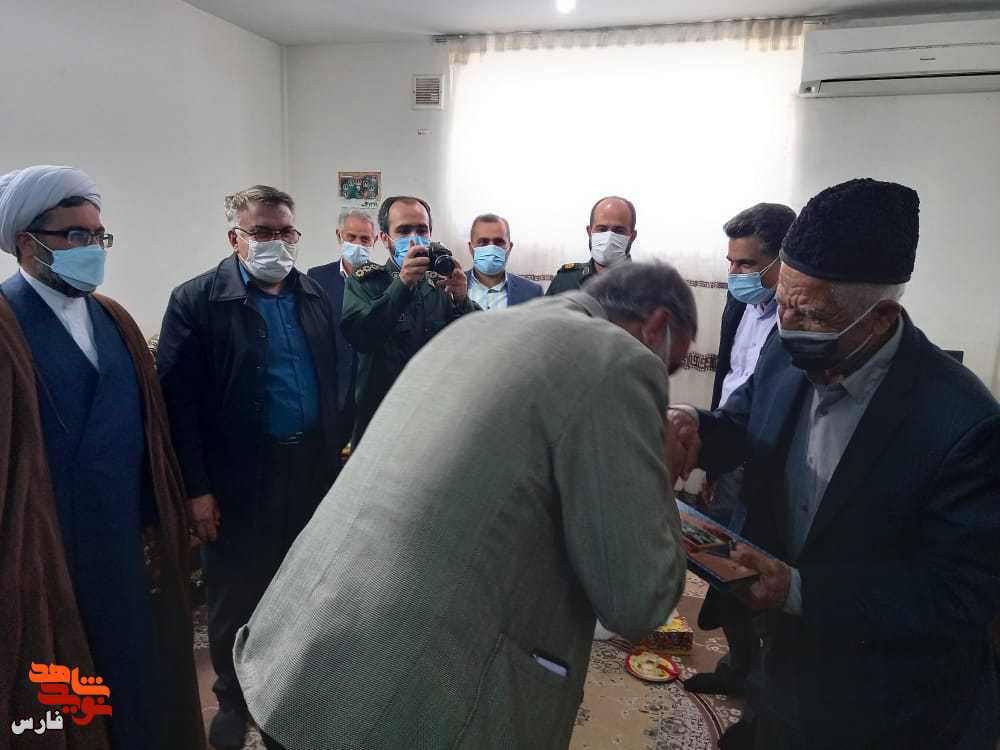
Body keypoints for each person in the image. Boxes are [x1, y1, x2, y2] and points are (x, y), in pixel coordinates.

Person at [233, 261, 697, 750]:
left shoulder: (476, 328)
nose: (661, 377)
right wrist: (661, 470)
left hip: (298, 644)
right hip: (394, 698)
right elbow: (637, 600)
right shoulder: (619, 356)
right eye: (671, 365)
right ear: (657, 326)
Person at [667, 178, 1000, 749]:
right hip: (780, 670)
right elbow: (744, 426)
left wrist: (800, 591)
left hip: (882, 701)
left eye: (811, 315)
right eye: (782, 302)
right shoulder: (784, 350)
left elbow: (958, 595)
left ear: (880, 316)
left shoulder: (964, 425)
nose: (787, 324)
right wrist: (692, 424)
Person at [0, 165, 205, 750]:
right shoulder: (6, 323)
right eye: (75, 235)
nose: (92, 248)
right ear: (27, 243)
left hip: (124, 543)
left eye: (98, 235)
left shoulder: (113, 318)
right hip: (45, 550)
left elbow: (150, 431)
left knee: (135, 674)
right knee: (63, 686)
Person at [157, 185, 349, 750]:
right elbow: (177, 405)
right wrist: (196, 489)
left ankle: (291, 691)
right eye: (262, 231)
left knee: (305, 589)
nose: (276, 242)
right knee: (236, 595)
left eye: (285, 231)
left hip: (310, 470)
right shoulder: (196, 301)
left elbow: (333, 376)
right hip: (239, 477)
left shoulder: (313, 295)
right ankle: (233, 698)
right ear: (234, 238)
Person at [683, 203, 796, 745]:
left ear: (783, 262)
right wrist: (711, 459)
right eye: (730, 262)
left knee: (759, 581)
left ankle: (760, 699)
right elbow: (728, 380)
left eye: (747, 264)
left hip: (770, 465)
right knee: (719, 567)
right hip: (731, 448)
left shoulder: (797, 321)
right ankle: (736, 666)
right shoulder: (739, 305)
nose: (734, 274)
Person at [341, 195, 478, 445]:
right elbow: (362, 336)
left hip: (435, 421)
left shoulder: (440, 284)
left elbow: (474, 344)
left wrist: (461, 300)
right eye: (404, 231)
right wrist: (402, 284)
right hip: (383, 422)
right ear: (385, 239)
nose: (414, 238)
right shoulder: (364, 283)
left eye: (422, 230)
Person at [308, 209, 378, 442]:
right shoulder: (317, 278)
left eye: (365, 239)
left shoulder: (384, 280)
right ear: (339, 236)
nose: (357, 244)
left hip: (369, 386)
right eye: (351, 237)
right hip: (332, 384)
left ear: (375, 241)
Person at [545, 195, 636, 295]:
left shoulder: (645, 285)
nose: (609, 237)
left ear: (632, 236)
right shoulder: (565, 281)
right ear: (589, 232)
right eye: (602, 229)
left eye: (619, 230)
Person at [464, 212, 542, 309]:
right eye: (483, 242)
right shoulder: (449, 289)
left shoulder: (533, 293)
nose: (491, 248)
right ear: (471, 248)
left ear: (509, 248)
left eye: (499, 242)